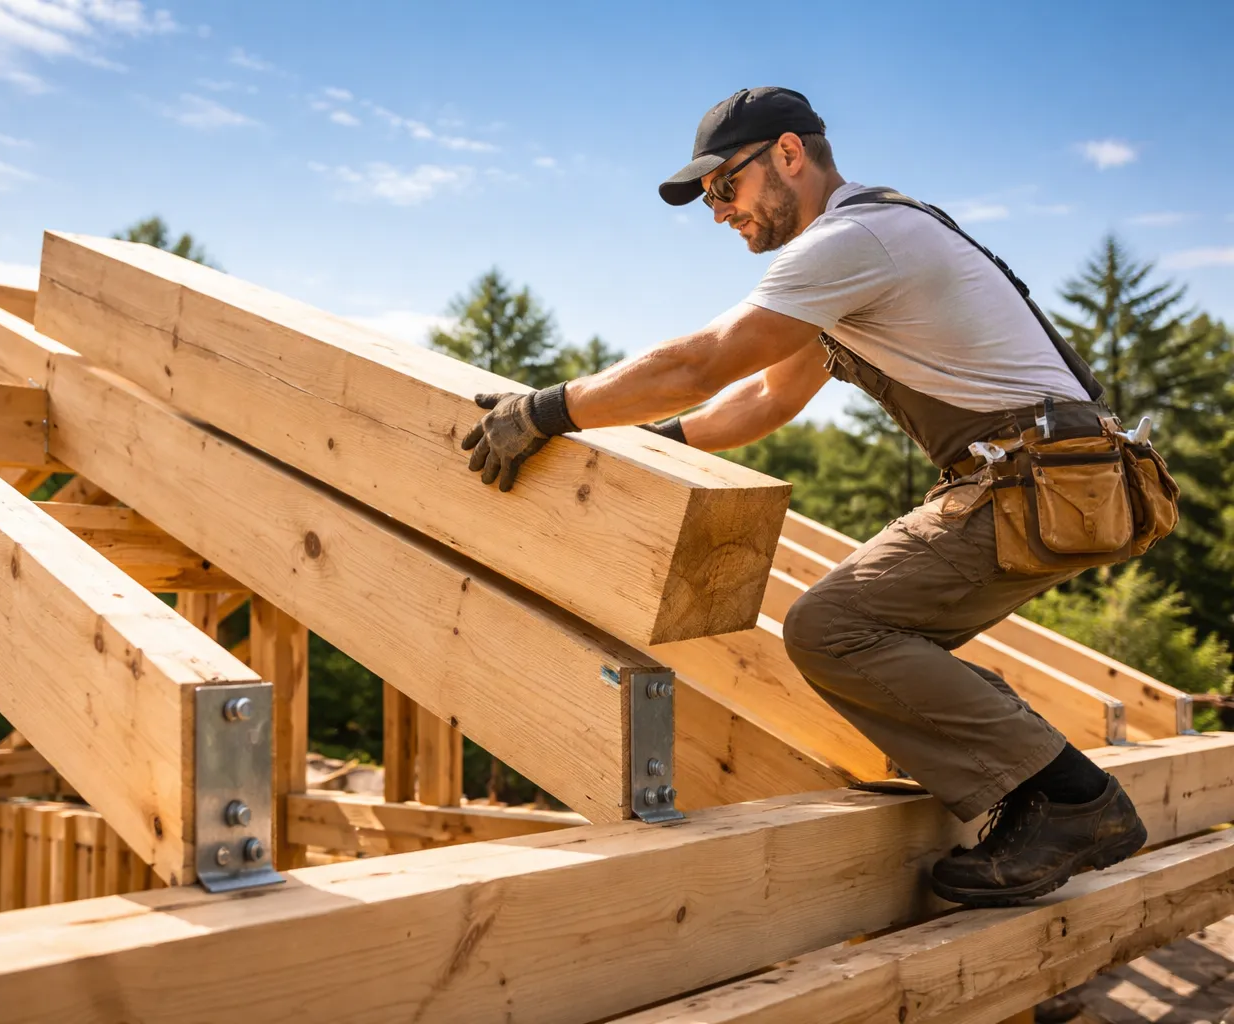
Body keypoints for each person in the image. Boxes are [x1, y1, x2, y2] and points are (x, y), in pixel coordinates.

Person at [460, 86, 1164, 907]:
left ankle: (1070, 800)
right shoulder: (861, 251)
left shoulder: (852, 239)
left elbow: (700, 363)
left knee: (835, 628)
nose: (719, 211)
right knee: (881, 637)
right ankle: (1030, 788)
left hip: (1034, 479)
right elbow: (767, 399)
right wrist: (650, 446)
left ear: (789, 154)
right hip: (1055, 479)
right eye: (709, 198)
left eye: (726, 185)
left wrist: (546, 410)